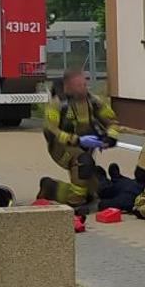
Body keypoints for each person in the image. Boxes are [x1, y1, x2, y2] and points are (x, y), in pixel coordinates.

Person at [39, 69, 119, 209]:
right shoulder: (57, 104)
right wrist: (75, 139)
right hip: (62, 148)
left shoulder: (93, 101)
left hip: (85, 148)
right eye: (79, 85)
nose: (83, 87)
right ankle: (75, 203)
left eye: (84, 83)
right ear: (68, 86)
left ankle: (51, 189)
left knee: (97, 192)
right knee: (84, 163)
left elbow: (111, 120)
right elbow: (51, 130)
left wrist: (111, 136)